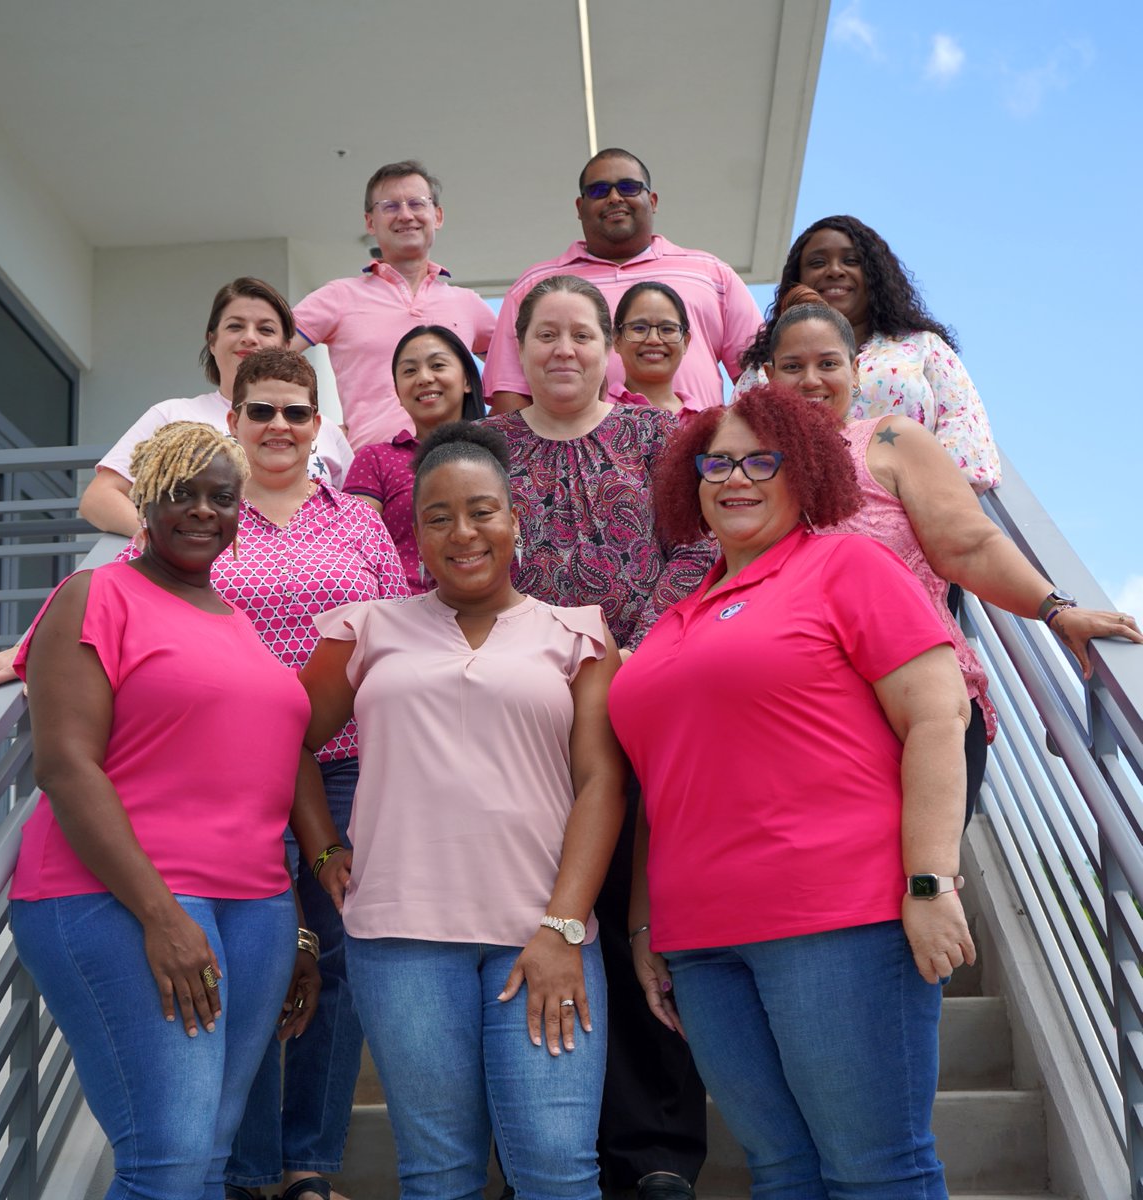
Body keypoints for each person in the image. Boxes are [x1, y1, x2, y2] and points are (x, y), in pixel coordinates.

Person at [609, 383, 976, 1197]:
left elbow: (938, 717)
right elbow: (661, 783)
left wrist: (930, 881)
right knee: (779, 1174)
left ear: (805, 469)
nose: (734, 479)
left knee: (875, 1170)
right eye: (716, 464)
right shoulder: (675, 619)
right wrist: (644, 921)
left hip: (836, 920)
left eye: (760, 461)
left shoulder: (849, 565)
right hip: (701, 942)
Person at [8, 421, 348, 1199]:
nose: (202, 511)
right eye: (180, 494)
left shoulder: (238, 623)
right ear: (146, 503)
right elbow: (65, 765)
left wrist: (297, 927)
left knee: (207, 1157)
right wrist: (161, 916)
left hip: (255, 909)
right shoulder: (96, 595)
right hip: (123, 899)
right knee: (168, 1158)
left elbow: (257, 784)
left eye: (220, 498)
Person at [298, 422, 626, 1200]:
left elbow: (601, 783)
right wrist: (323, 849)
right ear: (417, 534)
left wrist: (563, 927)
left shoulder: (578, 635)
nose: (463, 533)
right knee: (439, 1174)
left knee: (557, 1169)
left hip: (542, 932)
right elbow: (287, 743)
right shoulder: (365, 629)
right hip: (401, 939)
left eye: (482, 511)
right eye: (438, 517)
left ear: (515, 518)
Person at [109, 351, 408, 1200]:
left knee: (338, 960)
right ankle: (244, 1169)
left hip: (344, 769)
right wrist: (26, 650)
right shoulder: (198, 514)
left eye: (296, 412)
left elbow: (395, 632)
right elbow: (124, 595)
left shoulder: (358, 524)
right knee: (244, 963)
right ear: (232, 420)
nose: (279, 425)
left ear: (320, 427)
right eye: (262, 410)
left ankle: (309, 1162)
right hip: (225, 771)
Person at [487, 274, 712, 1200]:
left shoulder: (660, 438)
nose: (564, 350)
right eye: (545, 334)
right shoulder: (488, 448)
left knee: (635, 921)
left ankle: (656, 1153)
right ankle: (542, 1148)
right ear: (519, 349)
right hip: (529, 718)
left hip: (641, 700)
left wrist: (629, 652)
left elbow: (701, 545)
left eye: (582, 333)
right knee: (539, 920)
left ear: (609, 347)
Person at [762, 284, 1143, 820]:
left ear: (856, 370)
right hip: (790, 722)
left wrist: (1057, 610)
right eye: (791, 366)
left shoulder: (891, 441)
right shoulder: (745, 469)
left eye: (828, 363)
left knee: (921, 873)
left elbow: (969, 545)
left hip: (921, 716)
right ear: (768, 376)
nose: (810, 381)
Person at [483, 148, 762, 414]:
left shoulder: (713, 274)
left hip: (699, 444)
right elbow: (510, 393)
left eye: (629, 187)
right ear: (580, 207)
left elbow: (758, 379)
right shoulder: (535, 285)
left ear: (652, 201)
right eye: (599, 190)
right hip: (576, 448)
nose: (615, 197)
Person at [741, 215, 1000, 491]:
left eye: (851, 261)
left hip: (917, 506)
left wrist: (922, 503)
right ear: (798, 280)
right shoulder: (763, 368)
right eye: (817, 263)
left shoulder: (923, 346)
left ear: (874, 274)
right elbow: (738, 450)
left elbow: (964, 433)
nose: (834, 270)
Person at [80, 277, 352, 535]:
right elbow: (100, 497)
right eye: (235, 326)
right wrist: (162, 542)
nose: (250, 337)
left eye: (266, 329)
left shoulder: (325, 430)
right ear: (212, 341)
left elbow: (356, 516)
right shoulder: (172, 415)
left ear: (286, 345)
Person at [291, 160, 495, 452]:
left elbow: (518, 374)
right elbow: (267, 361)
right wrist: (319, 430)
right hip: (370, 470)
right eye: (390, 206)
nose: (406, 215)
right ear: (370, 222)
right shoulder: (338, 297)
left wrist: (496, 429)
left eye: (417, 203)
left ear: (437, 215)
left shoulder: (468, 304)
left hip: (457, 463)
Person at [343, 325, 486, 594]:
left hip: (493, 607)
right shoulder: (376, 460)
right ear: (398, 393)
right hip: (403, 609)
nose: (424, 378)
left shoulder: (504, 448)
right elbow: (353, 547)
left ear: (467, 380)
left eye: (437, 365)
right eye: (410, 371)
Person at [612, 281, 702, 422]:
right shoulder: (594, 412)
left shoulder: (705, 421)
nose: (653, 340)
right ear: (617, 340)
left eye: (667, 329)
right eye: (639, 328)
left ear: (685, 342)